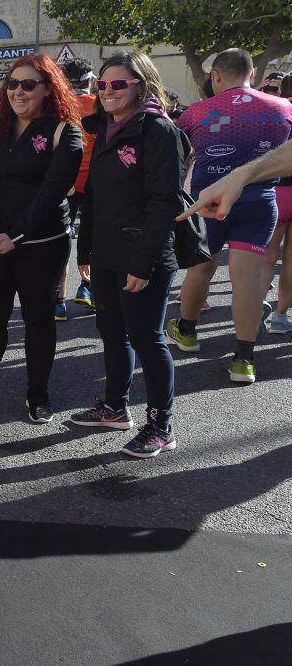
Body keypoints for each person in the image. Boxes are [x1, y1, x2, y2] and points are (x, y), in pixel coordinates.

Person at [0, 53, 83, 423]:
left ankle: (38, 394)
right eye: (13, 83)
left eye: (29, 84)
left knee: (38, 320)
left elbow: (53, 192)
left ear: (48, 89)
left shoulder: (64, 131)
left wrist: (17, 234)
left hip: (40, 243)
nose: (18, 92)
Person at [71, 50, 187, 458]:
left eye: (118, 84)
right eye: (103, 84)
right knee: (111, 332)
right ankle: (115, 407)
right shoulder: (104, 127)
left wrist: (143, 263)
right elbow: (94, 196)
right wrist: (84, 250)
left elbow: (164, 202)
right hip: (105, 250)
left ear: (141, 85)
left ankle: (161, 425)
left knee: (147, 337)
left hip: (144, 254)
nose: (107, 91)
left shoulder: (158, 130)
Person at [170, 49, 292, 383]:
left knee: (201, 268)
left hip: (208, 202)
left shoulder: (196, 112)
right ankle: (243, 360)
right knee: (248, 280)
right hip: (261, 200)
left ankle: (188, 332)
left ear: (216, 76)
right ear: (252, 74)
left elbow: (180, 156)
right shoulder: (283, 107)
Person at [56, 57, 99, 320]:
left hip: (65, 183)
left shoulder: (58, 107)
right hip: (96, 183)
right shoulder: (100, 104)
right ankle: (87, 287)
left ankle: (57, 301)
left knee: (62, 240)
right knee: (92, 239)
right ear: (90, 80)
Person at [267, 74, 292, 334]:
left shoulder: (275, 113)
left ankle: (256, 306)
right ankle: (280, 317)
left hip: (276, 190)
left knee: (265, 256)